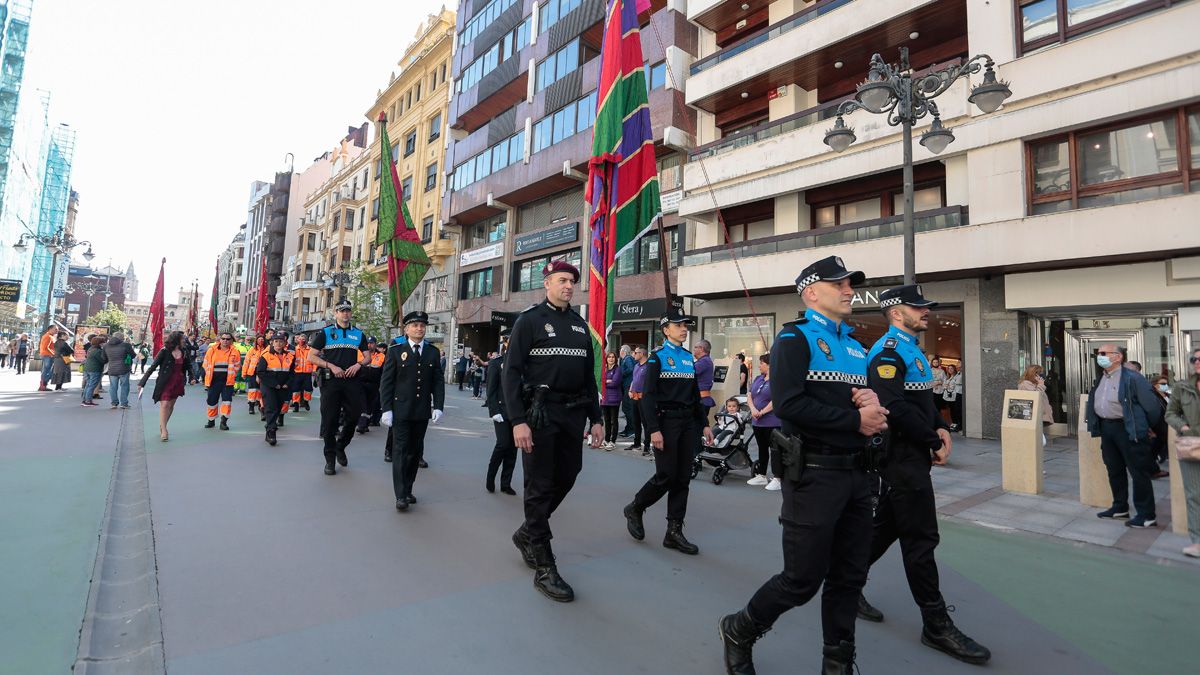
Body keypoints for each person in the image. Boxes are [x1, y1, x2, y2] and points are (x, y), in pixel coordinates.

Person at [719, 255, 889, 675]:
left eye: (850, 284)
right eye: (840, 285)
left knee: (850, 577)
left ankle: (838, 663)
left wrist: (869, 402)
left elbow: (860, 400)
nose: (849, 291)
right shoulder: (794, 339)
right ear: (812, 293)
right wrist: (855, 419)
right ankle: (740, 628)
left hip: (858, 474)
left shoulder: (856, 345)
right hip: (815, 474)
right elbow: (791, 406)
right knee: (801, 580)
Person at [858, 284, 991, 665]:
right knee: (921, 538)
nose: (926, 311)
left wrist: (940, 427)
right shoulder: (887, 351)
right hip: (900, 456)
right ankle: (935, 624)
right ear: (897, 313)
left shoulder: (912, 350)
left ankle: (845, 581)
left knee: (887, 525)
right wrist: (932, 439)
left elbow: (921, 399)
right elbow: (894, 406)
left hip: (912, 453)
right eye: (918, 307)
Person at [502, 259, 603, 603]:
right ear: (546, 283)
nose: (569, 286)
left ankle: (528, 532)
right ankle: (545, 565)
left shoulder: (579, 325)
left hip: (573, 414)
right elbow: (511, 373)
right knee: (539, 484)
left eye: (572, 281)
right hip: (539, 414)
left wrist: (598, 418)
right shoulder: (529, 322)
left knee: (569, 474)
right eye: (562, 280)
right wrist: (518, 420)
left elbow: (589, 376)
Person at [623, 310, 714, 555]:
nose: (684, 329)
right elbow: (647, 397)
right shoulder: (657, 358)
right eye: (679, 325)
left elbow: (695, 396)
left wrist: (704, 423)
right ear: (666, 329)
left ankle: (673, 532)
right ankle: (636, 507)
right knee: (666, 475)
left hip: (688, 424)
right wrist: (653, 429)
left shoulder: (687, 358)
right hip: (666, 423)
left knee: (683, 478)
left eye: (685, 325)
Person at [1084, 343, 1161, 528]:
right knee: (1114, 469)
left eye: (1103, 353)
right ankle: (1119, 507)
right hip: (1107, 429)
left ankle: (1146, 514)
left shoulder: (1133, 378)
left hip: (1128, 429)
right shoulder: (1101, 377)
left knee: (1138, 471)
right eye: (1098, 353)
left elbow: (1152, 407)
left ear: (1118, 357)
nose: (1099, 356)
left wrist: (1144, 427)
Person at [380, 311, 445, 510]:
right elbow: (387, 382)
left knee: (414, 452)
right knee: (400, 450)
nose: (419, 328)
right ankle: (400, 495)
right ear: (406, 329)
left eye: (422, 325)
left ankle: (408, 488)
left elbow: (438, 382)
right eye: (415, 325)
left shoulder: (432, 352)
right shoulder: (396, 350)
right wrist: (386, 409)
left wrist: (439, 406)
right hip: (400, 409)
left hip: (422, 410)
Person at [308, 299, 370, 475]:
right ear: (335, 313)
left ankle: (341, 446)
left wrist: (358, 365)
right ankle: (330, 459)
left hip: (352, 381)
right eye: (341, 311)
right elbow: (311, 357)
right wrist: (331, 366)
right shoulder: (326, 332)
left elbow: (367, 357)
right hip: (331, 382)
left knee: (354, 417)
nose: (345, 314)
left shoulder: (358, 334)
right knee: (329, 420)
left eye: (348, 311)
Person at [1165, 347, 1200, 558]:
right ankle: (1197, 541)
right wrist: (1183, 427)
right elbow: (1170, 413)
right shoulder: (1182, 387)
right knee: (1194, 495)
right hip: (1192, 446)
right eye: (1194, 358)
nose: (1197, 361)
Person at [138, 331, 192, 442]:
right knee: (165, 404)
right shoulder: (164, 351)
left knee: (171, 405)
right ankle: (164, 430)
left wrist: (192, 377)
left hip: (178, 381)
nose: (184, 341)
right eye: (182, 339)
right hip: (165, 381)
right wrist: (142, 382)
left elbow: (188, 365)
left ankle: (163, 425)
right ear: (177, 339)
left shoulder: (184, 351)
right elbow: (152, 367)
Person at [485, 328, 517, 495]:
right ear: (505, 342)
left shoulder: (522, 362)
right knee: (503, 444)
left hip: (517, 412)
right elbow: (490, 389)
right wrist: (494, 410)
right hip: (501, 410)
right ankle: (491, 476)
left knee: (513, 448)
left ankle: (506, 483)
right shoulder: (496, 363)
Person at [746, 353, 782, 490]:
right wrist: (753, 409)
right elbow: (750, 395)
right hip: (757, 422)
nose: (759, 366)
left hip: (773, 422)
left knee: (775, 450)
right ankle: (761, 475)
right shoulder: (758, 378)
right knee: (762, 448)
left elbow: (776, 400)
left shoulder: (778, 380)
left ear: (769, 365)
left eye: (761, 363)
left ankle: (778, 478)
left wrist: (762, 412)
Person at [256, 332, 296, 446]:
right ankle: (271, 433)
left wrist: (287, 384)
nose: (278, 343)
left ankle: (269, 427)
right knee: (271, 408)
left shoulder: (290, 356)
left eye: (281, 341)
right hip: (269, 387)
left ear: (285, 343)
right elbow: (261, 372)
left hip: (284, 387)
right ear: (271, 343)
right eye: (276, 341)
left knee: (278, 409)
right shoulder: (265, 356)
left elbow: (292, 373)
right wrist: (275, 384)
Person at [202, 332, 241, 430]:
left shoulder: (235, 351)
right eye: (223, 338)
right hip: (213, 380)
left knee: (227, 401)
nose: (225, 341)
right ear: (220, 339)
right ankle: (211, 420)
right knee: (212, 401)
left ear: (231, 340)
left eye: (228, 339)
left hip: (227, 381)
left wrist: (232, 375)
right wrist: (209, 373)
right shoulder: (212, 350)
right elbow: (205, 363)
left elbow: (237, 365)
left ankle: (224, 421)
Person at [356, 336, 385, 434]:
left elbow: (383, 371)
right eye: (368, 343)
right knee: (363, 404)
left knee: (370, 405)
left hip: (374, 384)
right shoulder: (360, 353)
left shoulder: (381, 356)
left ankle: (365, 424)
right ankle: (361, 425)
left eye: (372, 343)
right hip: (361, 383)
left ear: (375, 344)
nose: (369, 345)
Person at [102, 332, 137, 409]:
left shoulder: (106, 346)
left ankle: (114, 403)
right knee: (124, 386)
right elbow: (133, 355)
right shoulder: (126, 345)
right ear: (121, 338)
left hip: (112, 369)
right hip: (124, 369)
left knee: (113, 387)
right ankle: (124, 403)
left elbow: (104, 359)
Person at [628, 345, 650, 456]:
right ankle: (636, 443)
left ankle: (647, 446)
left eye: (636, 353)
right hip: (634, 397)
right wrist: (630, 389)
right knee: (635, 421)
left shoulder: (649, 366)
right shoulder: (636, 366)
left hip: (643, 399)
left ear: (642, 354)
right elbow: (634, 379)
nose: (634, 354)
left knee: (645, 423)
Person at [1017, 365, 1054, 430]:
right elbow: (1036, 397)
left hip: (1039, 416)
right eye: (1039, 374)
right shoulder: (1025, 385)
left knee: (1040, 438)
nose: (1040, 376)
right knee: (1038, 438)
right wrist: (1041, 385)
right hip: (1034, 417)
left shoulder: (1035, 384)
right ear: (1033, 374)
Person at [600, 351, 623, 450]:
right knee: (607, 420)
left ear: (615, 359)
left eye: (613, 357)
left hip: (614, 399)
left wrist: (606, 382)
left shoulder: (618, 369)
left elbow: (615, 383)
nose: (611, 359)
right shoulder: (603, 369)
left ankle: (613, 441)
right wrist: (606, 381)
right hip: (605, 399)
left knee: (614, 421)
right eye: (609, 357)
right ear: (606, 359)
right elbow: (600, 382)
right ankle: (606, 439)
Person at [1149, 375, 1171, 475]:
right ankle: (1153, 471)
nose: (1165, 386)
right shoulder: (1152, 397)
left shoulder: (1167, 395)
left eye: (1166, 383)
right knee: (1153, 451)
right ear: (1154, 385)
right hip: (1158, 428)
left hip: (1167, 427)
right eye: (1162, 384)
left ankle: (1154, 469)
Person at [242, 334, 268, 417]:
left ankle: (261, 407)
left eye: (262, 339)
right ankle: (251, 406)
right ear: (256, 340)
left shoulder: (267, 349)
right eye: (259, 339)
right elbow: (246, 362)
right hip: (252, 372)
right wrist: (244, 373)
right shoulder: (252, 350)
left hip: (263, 373)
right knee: (252, 390)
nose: (261, 341)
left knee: (261, 390)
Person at [290, 332, 316, 411]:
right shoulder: (294, 350)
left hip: (307, 373)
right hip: (297, 372)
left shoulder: (310, 350)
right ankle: (296, 404)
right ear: (298, 340)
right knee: (295, 389)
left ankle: (306, 401)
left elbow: (314, 361)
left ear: (307, 340)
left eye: (303, 339)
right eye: (300, 339)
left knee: (308, 389)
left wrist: (314, 370)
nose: (302, 341)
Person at [81, 335, 107, 406]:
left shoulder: (90, 349)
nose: (104, 343)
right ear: (99, 343)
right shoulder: (98, 351)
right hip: (95, 369)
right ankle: (88, 401)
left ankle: (85, 400)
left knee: (88, 385)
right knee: (92, 385)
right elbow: (103, 360)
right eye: (103, 342)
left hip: (87, 368)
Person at [618, 344, 635, 437]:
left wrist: (621, 374)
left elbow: (631, 369)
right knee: (626, 408)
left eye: (620, 350)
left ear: (623, 351)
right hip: (627, 386)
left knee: (627, 408)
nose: (619, 352)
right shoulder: (625, 359)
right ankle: (628, 428)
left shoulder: (627, 358)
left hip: (628, 386)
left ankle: (631, 429)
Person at [37, 325, 59, 391]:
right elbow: (46, 347)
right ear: (50, 329)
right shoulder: (48, 336)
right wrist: (53, 354)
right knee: (47, 370)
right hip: (47, 355)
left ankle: (43, 385)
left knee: (48, 370)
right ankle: (43, 385)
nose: (57, 330)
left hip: (48, 355)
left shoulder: (50, 336)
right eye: (55, 329)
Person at [942, 364, 963, 431]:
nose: (950, 370)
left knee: (955, 411)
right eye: (949, 368)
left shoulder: (957, 377)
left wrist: (947, 386)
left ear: (954, 369)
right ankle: (954, 423)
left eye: (952, 368)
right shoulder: (948, 377)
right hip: (947, 397)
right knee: (951, 411)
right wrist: (946, 386)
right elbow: (944, 386)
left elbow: (954, 387)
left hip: (954, 396)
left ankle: (957, 424)